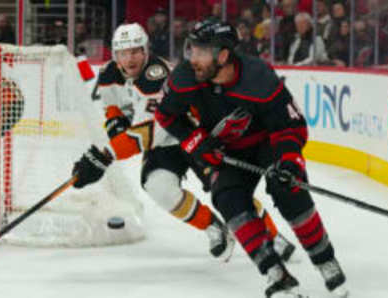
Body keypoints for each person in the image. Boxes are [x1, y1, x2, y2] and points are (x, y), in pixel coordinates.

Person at [155, 19, 348, 297]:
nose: (192, 58)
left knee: (289, 190)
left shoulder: (259, 77)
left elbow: (290, 126)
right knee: (228, 199)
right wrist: (195, 140)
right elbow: (166, 114)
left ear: (223, 55)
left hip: (267, 143)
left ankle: (325, 259)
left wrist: (290, 162)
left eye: (200, 52)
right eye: (191, 50)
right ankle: (275, 272)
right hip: (226, 151)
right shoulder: (185, 78)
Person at [71, 23, 296, 262]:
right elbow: (112, 107)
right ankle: (213, 228)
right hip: (163, 146)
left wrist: (104, 155)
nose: (130, 58)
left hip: (194, 135)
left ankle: (271, 236)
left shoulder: (155, 76)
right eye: (123, 53)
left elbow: (150, 132)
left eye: (136, 51)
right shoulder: (108, 74)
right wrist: (115, 123)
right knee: (158, 186)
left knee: (228, 190)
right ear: (115, 55)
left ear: (146, 50)